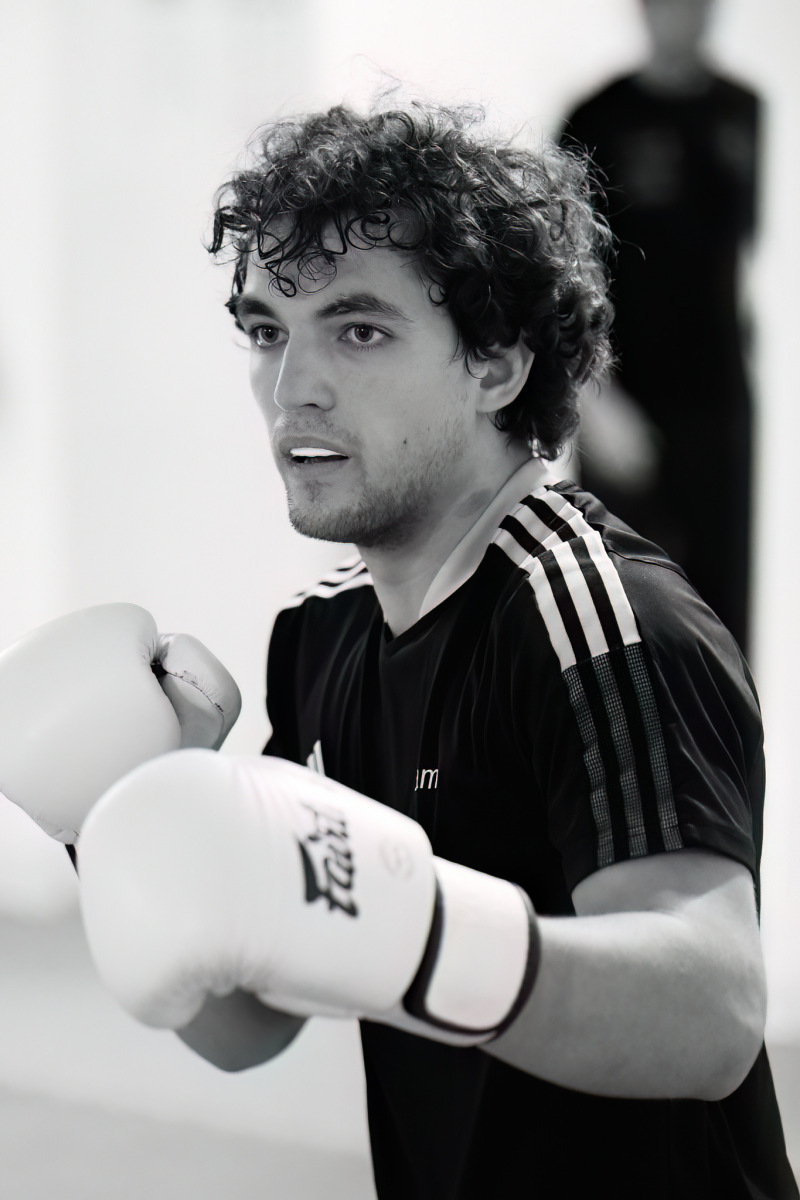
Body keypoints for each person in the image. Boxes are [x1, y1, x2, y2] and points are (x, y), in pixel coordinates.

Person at [0, 102, 795, 1199]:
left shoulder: (600, 616)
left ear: (497, 364)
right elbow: (249, 1023)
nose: (293, 388)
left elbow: (711, 1013)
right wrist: (116, 812)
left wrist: (421, 934)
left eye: (358, 330)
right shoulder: (322, 637)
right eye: (267, 330)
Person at [561, 0, 760, 654]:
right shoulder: (596, 118)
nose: (683, 17)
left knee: (722, 620)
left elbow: (734, 257)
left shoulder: (743, 110)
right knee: (626, 615)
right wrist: (594, 398)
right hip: (627, 399)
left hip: (719, 402)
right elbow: (561, 272)